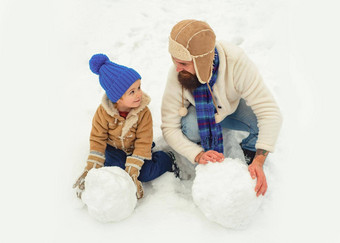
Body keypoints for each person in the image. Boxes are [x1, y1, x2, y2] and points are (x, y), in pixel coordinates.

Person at [161, 19, 282, 197]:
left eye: (184, 63)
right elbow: (169, 127)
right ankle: (198, 142)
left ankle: (250, 152)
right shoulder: (177, 72)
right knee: (192, 129)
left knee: (259, 122)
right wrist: (196, 154)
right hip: (198, 114)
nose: (177, 68)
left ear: (201, 61)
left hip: (229, 109)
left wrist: (259, 160)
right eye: (174, 60)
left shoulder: (236, 61)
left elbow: (270, 113)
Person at [73, 54, 176, 199]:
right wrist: (92, 166)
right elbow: (98, 138)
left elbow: (143, 140)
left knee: (145, 173)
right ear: (117, 98)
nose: (139, 94)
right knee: (115, 170)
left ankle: (166, 159)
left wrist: (135, 166)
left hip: (137, 148)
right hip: (114, 149)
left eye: (139, 88)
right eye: (132, 92)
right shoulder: (103, 112)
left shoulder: (143, 112)